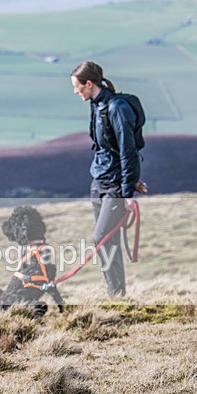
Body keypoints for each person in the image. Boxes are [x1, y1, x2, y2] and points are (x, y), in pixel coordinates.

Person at [70, 62, 147, 297]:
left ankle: (116, 293)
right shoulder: (97, 105)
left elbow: (128, 150)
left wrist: (127, 192)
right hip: (99, 181)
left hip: (114, 185)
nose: (76, 92)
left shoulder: (117, 108)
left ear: (89, 84)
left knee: (101, 237)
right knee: (107, 240)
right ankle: (116, 294)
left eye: (77, 87)